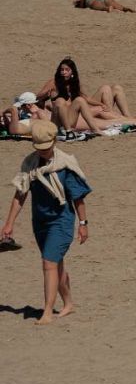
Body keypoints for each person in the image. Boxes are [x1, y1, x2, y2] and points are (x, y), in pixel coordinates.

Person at [1, 120, 91, 325]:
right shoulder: (30, 164)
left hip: (61, 221)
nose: (43, 151)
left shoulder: (65, 165)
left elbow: (78, 198)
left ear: (54, 142)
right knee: (55, 265)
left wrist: (83, 224)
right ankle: (68, 303)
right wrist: (9, 224)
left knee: (48, 263)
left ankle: (47, 311)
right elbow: (20, 195)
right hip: (40, 222)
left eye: (46, 147)